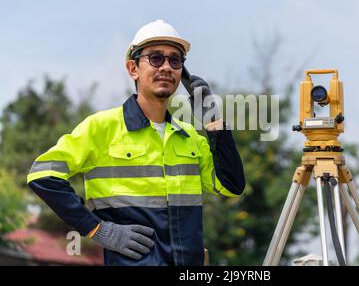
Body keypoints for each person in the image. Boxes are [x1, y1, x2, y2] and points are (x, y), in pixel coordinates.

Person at [27, 19, 246, 266]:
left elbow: (232, 186)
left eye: (175, 61)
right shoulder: (102, 128)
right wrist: (97, 229)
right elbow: (42, 175)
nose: (166, 67)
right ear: (133, 69)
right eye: (155, 58)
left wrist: (213, 122)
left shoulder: (190, 137)